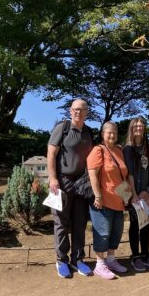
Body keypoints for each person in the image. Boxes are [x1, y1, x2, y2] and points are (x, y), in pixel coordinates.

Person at [47, 99, 93, 278]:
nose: (78, 113)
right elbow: (51, 153)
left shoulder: (89, 132)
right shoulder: (62, 128)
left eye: (82, 110)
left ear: (87, 112)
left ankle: (78, 259)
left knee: (80, 222)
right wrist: (52, 178)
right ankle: (61, 260)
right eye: (75, 109)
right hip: (63, 181)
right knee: (61, 222)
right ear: (70, 111)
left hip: (83, 184)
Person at [87, 121, 130, 279]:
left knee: (116, 233)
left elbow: (122, 175)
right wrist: (97, 195)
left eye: (115, 133)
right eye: (109, 133)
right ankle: (100, 264)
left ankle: (111, 259)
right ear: (102, 134)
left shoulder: (119, 150)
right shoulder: (98, 150)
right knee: (103, 233)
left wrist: (126, 197)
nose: (112, 135)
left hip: (119, 200)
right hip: (103, 200)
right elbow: (92, 174)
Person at [123, 118, 149, 272]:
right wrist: (133, 194)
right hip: (135, 194)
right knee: (135, 225)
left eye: (141, 125)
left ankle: (145, 255)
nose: (139, 127)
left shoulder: (148, 148)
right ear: (132, 128)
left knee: (146, 224)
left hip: (148, 193)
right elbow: (129, 174)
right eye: (136, 125)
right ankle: (135, 257)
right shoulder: (128, 149)